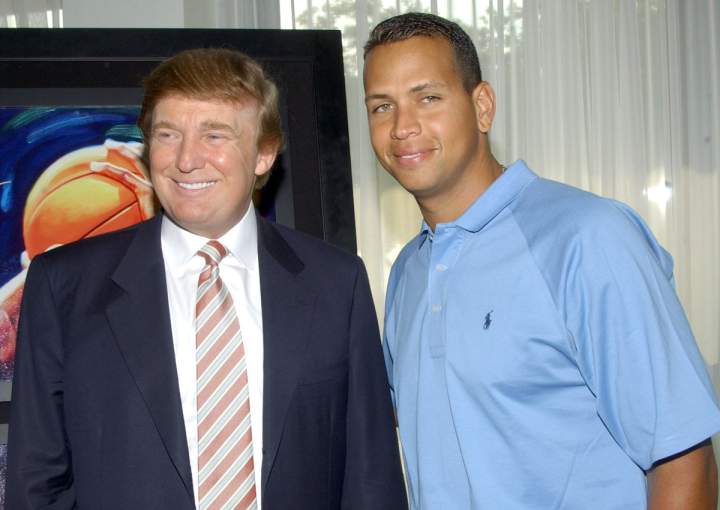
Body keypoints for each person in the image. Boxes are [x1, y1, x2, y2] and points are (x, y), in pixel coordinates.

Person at [7, 48, 407, 510]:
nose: (186, 159)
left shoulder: (336, 283)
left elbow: (370, 478)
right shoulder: (64, 286)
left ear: (263, 154)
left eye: (214, 135)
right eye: (168, 134)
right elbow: (35, 484)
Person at [363, 12, 720, 509]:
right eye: (382, 106)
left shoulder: (588, 238)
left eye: (428, 98)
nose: (403, 127)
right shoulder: (409, 269)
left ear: (482, 106)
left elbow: (682, 460)